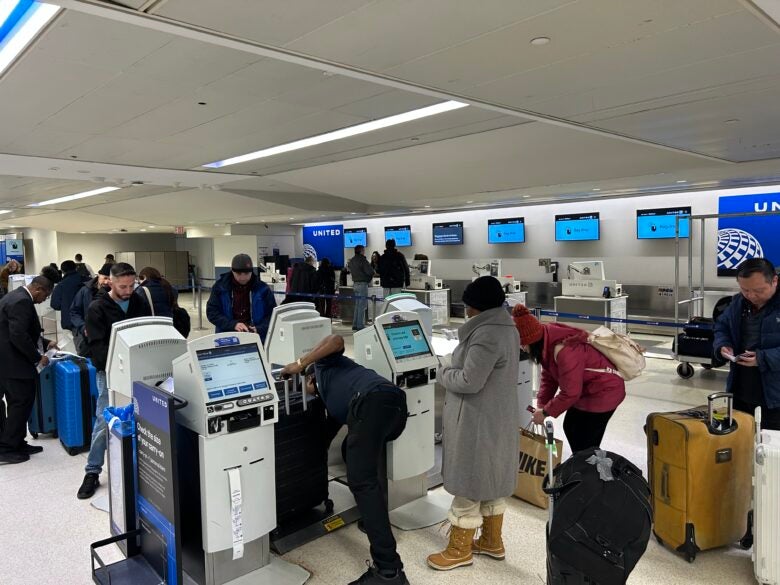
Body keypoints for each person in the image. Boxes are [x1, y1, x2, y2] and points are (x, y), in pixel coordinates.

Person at [280, 335, 409, 585]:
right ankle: (371, 516)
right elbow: (324, 440)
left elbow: (337, 340)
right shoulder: (336, 395)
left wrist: (299, 362)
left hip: (370, 402)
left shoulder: (324, 365)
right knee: (355, 456)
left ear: (309, 377)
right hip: (393, 407)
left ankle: (388, 571)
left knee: (362, 480)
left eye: (303, 383)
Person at [427, 276, 520, 571]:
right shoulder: (507, 328)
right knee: (490, 476)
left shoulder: (486, 334)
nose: (465, 310)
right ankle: (492, 542)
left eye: (467, 304)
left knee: (469, 479)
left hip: (478, 419)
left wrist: (442, 371)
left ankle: (459, 550)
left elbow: (469, 380)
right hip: (497, 415)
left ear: (474, 306)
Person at [77, 263, 151, 499]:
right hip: (109, 373)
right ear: (110, 282)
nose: (128, 290)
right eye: (123, 286)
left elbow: (148, 331)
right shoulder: (97, 308)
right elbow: (97, 348)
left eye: (132, 285)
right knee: (104, 420)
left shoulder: (139, 301)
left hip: (140, 370)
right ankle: (92, 471)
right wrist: (115, 368)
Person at [512, 304, 626, 452]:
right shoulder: (547, 339)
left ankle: (589, 468)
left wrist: (546, 412)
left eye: (523, 345)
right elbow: (549, 378)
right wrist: (541, 405)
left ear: (532, 340)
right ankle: (582, 464)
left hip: (604, 392)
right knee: (571, 427)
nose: (523, 349)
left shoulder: (565, 351)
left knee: (584, 439)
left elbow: (571, 392)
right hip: (588, 390)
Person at [714, 257, 780, 430]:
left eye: (758, 290)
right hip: (741, 391)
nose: (751, 296)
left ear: (774, 280)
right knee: (740, 443)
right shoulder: (738, 303)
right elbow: (722, 325)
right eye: (745, 289)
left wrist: (762, 358)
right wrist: (723, 344)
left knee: (770, 449)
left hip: (775, 398)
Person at [0, 276, 56, 464]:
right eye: (46, 295)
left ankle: (17, 442)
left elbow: (13, 329)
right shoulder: (22, 301)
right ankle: (7, 448)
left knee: (18, 404)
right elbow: (18, 335)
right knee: (20, 403)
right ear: (38, 289)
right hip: (14, 364)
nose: (44, 300)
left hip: (7, 361)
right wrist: (37, 357)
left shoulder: (14, 296)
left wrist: (46, 343)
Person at [206, 253, 276, 342]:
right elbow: (212, 312)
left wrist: (258, 329)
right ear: (231, 270)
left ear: (252, 271)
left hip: (255, 338)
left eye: (247, 273)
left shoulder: (263, 289)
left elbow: (272, 315)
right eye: (238, 273)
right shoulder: (220, 287)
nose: (243, 277)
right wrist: (233, 325)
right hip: (226, 337)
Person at [70, 264, 112, 356]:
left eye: (110, 279)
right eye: (105, 278)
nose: (106, 282)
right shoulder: (85, 290)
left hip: (105, 337)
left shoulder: (113, 293)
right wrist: (83, 327)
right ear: (98, 275)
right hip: (84, 335)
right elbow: (74, 312)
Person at [50, 261, 86, 343]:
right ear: (76, 268)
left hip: (70, 322)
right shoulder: (87, 281)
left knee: (75, 349)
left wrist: (65, 304)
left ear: (62, 271)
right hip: (88, 321)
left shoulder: (61, 285)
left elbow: (55, 305)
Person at [348, 245, 375, 331]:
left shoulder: (351, 260)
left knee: (357, 305)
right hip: (362, 284)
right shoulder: (363, 260)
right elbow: (370, 271)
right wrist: (368, 279)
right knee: (362, 305)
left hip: (355, 284)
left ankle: (355, 324)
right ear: (361, 251)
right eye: (363, 250)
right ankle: (360, 325)